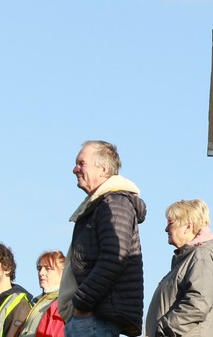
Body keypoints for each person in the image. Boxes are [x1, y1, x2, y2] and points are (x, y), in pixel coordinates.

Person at [58, 140, 147, 336]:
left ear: (104, 169)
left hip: (94, 318)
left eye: (81, 163)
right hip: (89, 317)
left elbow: (114, 258)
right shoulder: (102, 204)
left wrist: (82, 303)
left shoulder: (114, 203)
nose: (75, 169)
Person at [145, 199, 213, 336]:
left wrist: (164, 328)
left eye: (170, 223)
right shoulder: (188, 259)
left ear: (188, 226)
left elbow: (199, 303)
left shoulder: (201, 255)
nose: (166, 229)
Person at [17, 251, 66, 337]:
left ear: (63, 272)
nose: (41, 273)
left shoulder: (66, 302)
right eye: (39, 268)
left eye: (48, 269)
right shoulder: (40, 302)